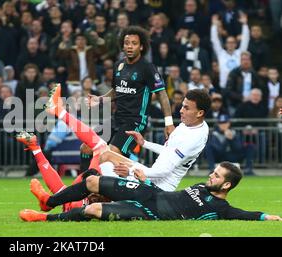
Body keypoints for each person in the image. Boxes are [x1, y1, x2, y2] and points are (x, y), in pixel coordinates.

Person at [47, 85, 210, 192]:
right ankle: (68, 194)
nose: (181, 110)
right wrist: (144, 143)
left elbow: (164, 171)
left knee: (103, 153)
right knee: (99, 164)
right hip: (149, 176)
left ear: (200, 113)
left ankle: (60, 112)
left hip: (156, 187)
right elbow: (170, 151)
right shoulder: (190, 126)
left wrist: (131, 170)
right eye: (182, 105)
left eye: (186, 108)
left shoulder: (192, 137)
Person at [19, 161, 282, 222]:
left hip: (149, 212)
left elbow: (244, 214)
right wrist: (146, 180)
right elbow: (173, 195)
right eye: (213, 171)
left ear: (226, 185)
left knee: (93, 209)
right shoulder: (201, 186)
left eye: (216, 175)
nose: (210, 175)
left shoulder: (220, 208)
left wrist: (266, 217)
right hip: (148, 193)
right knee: (92, 181)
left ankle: (44, 218)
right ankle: (48, 202)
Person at [84, 26, 175, 171]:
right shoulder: (118, 65)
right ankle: (87, 185)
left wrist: (169, 123)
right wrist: (100, 99)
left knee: (112, 153)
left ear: (141, 46)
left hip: (135, 122)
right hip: (116, 118)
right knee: (86, 147)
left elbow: (162, 94)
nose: (130, 46)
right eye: (127, 43)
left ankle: (129, 185)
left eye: (134, 43)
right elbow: (117, 91)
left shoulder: (147, 68)